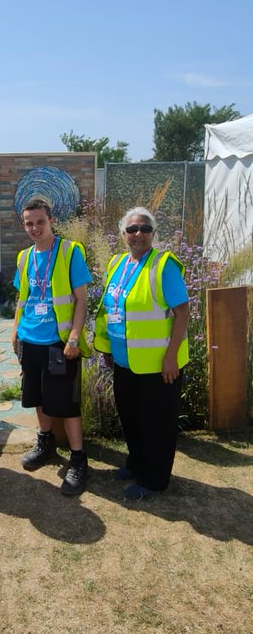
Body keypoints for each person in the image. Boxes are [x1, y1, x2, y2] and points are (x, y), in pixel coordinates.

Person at [93, 207, 189, 501]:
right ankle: (136, 464)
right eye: (132, 229)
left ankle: (154, 480)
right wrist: (107, 349)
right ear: (123, 233)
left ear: (153, 233)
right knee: (131, 419)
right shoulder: (117, 263)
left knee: (156, 425)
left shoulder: (163, 266)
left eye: (145, 229)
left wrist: (171, 357)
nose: (138, 234)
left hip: (158, 366)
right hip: (124, 362)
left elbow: (182, 312)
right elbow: (111, 310)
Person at [11, 198, 92, 496]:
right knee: (38, 397)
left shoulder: (70, 252)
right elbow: (23, 298)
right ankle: (45, 442)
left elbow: (81, 300)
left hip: (60, 343)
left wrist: (74, 338)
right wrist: (15, 331)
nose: (35, 228)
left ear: (51, 221)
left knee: (67, 404)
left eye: (40, 222)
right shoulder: (24, 257)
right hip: (30, 339)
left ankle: (78, 459)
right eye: (29, 223)